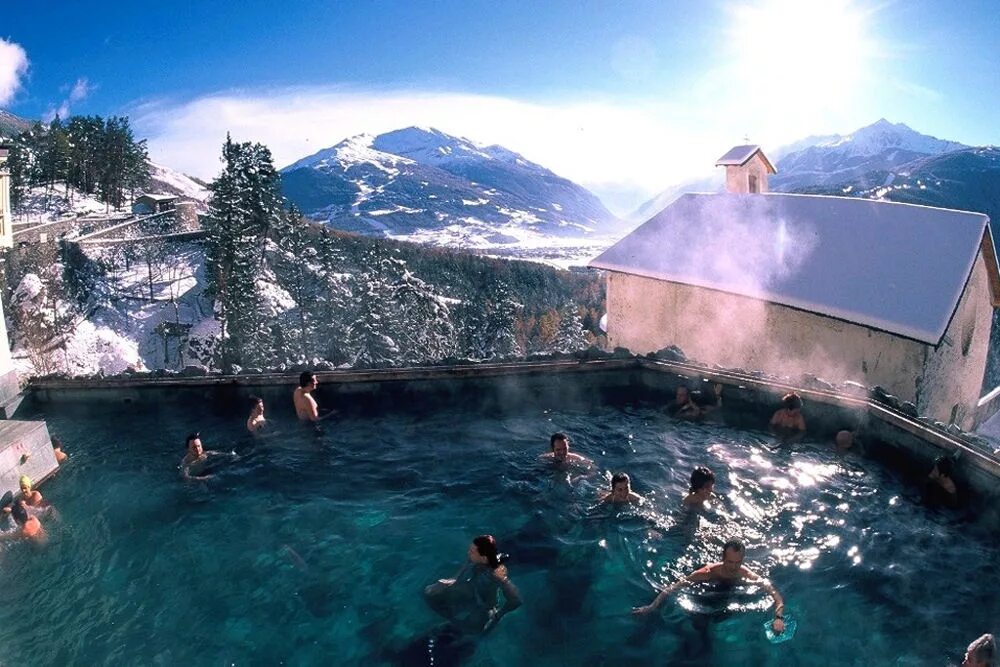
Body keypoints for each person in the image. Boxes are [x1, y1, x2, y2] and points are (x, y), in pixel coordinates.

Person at [631, 539, 786, 634]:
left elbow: (776, 596)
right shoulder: (707, 573)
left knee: (722, 618)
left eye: (738, 562)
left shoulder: (745, 574)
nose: (733, 567)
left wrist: (778, 618)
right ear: (723, 558)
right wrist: (651, 607)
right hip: (708, 589)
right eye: (730, 562)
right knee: (698, 624)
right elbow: (673, 587)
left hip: (729, 592)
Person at [423, 535, 522, 635]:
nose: (468, 553)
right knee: (431, 592)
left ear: (483, 557)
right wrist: (454, 578)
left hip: (485, 606)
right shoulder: (475, 558)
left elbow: (516, 600)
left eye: (472, 552)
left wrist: (499, 615)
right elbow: (467, 563)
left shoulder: (497, 574)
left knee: (472, 631)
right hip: (473, 591)